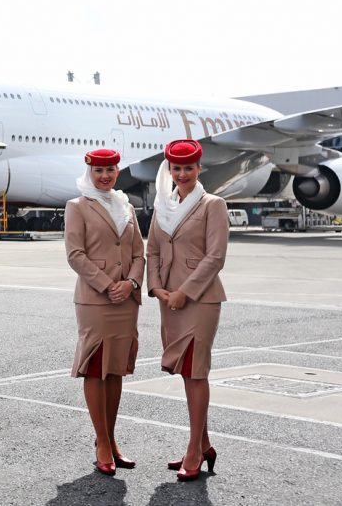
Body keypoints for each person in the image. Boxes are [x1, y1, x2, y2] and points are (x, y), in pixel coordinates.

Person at [146, 139, 228, 481]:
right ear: (170, 170)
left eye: (188, 168)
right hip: (169, 299)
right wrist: (156, 287)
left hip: (199, 299)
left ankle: (194, 450)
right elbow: (152, 250)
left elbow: (215, 257)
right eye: (176, 168)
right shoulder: (163, 206)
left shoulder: (213, 205)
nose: (182, 174)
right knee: (185, 371)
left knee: (196, 371)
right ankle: (204, 443)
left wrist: (185, 292)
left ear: (199, 169)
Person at [65, 148, 145, 475]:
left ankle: (112, 441)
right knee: (96, 367)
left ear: (117, 171)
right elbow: (75, 254)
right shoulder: (77, 206)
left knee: (115, 369)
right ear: (90, 172)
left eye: (110, 170)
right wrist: (107, 284)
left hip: (125, 299)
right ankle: (101, 442)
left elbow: (139, 254)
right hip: (96, 299)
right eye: (99, 171)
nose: (105, 176)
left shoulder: (126, 205)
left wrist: (131, 283)